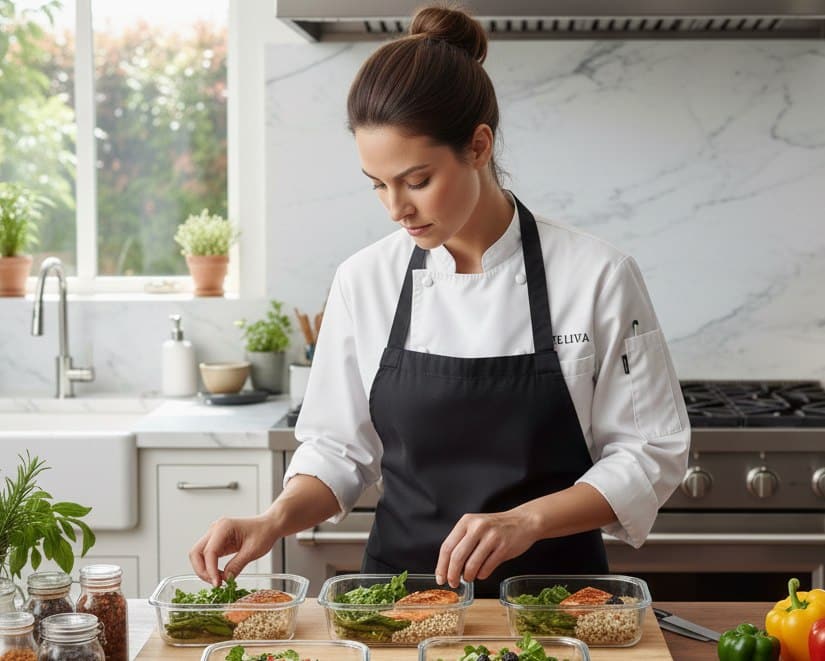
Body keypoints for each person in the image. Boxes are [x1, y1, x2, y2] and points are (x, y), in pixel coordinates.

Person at [190, 5, 690, 598]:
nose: (396, 208)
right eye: (378, 184)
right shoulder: (364, 280)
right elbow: (337, 448)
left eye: (417, 180)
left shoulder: (597, 276)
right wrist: (273, 518)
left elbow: (649, 452)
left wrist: (526, 520)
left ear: (478, 147)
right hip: (397, 604)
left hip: (557, 606)